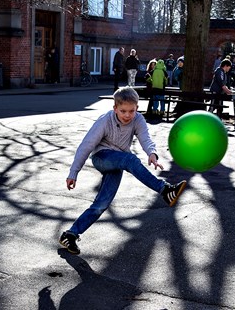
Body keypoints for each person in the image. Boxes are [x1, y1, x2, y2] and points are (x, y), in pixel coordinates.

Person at [59, 87, 188, 254]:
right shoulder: (105, 121)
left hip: (119, 161)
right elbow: (86, 146)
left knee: (101, 204)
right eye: (123, 111)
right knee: (130, 159)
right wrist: (73, 173)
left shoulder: (138, 119)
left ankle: (70, 234)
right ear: (115, 109)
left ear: (137, 108)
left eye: (132, 111)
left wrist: (152, 153)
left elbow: (145, 138)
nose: (128, 115)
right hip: (102, 157)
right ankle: (165, 189)